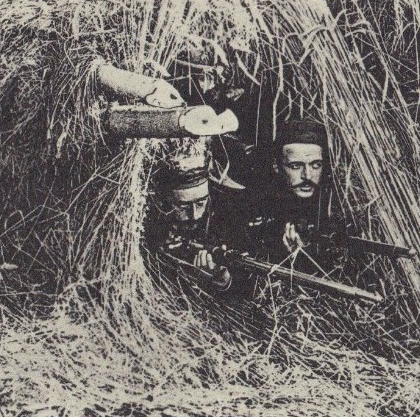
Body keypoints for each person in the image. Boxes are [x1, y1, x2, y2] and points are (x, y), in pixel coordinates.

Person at [251, 120, 346, 272]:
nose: (307, 176)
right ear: (277, 166)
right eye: (296, 166)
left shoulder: (336, 208)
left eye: (316, 165)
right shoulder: (261, 207)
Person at [142, 164, 233, 291]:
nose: (195, 215)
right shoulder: (148, 224)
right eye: (183, 207)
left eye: (201, 203)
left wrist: (220, 280)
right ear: (164, 202)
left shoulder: (224, 217)